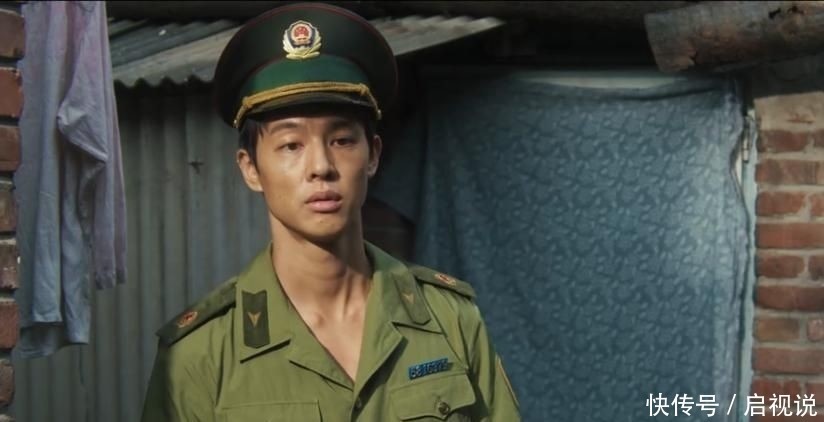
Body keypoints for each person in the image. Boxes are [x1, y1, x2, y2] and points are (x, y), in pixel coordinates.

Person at [140, 3, 521, 421]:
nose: (321, 166)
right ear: (251, 168)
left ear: (372, 155)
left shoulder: (450, 321)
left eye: (342, 140)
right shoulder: (200, 355)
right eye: (291, 145)